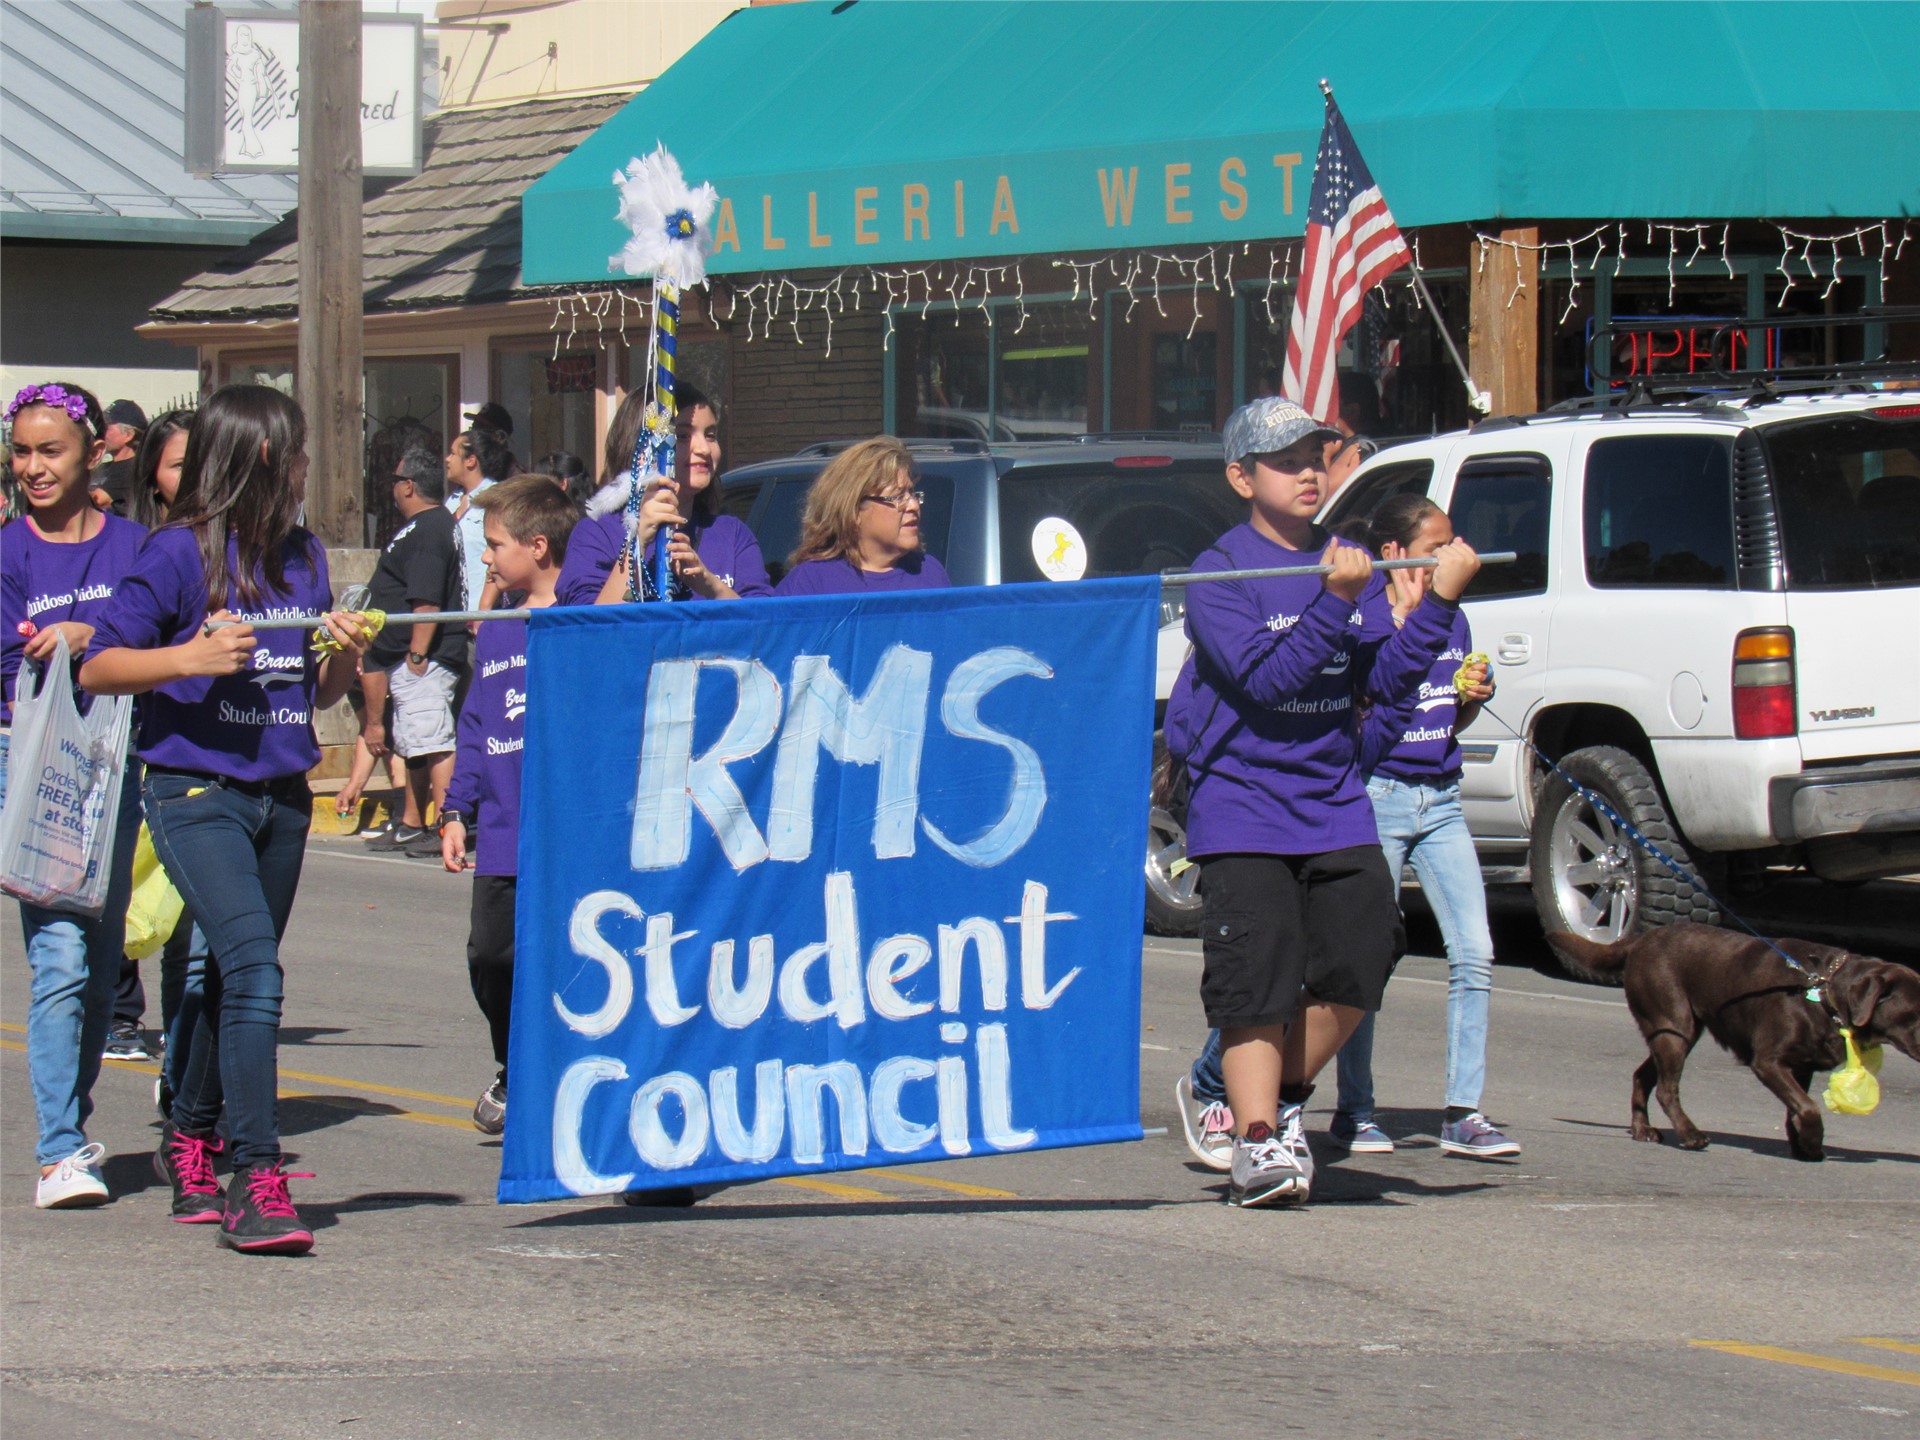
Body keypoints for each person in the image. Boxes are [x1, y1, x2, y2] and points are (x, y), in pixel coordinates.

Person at [1161, 396, 1477, 1208]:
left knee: (1364, 953)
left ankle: (1263, 1097)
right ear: (1241, 477)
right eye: (1286, 460)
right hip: (1241, 799)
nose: (1308, 471)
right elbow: (1269, 684)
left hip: (1334, 799)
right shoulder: (1220, 573)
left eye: (1316, 456)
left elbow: (1387, 680)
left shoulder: (1348, 559)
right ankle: (1258, 1140)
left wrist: (1436, 603)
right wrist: (1334, 601)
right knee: (1257, 976)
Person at [81, 383, 374, 1254]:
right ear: (252, 457)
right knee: (250, 965)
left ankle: (191, 1133)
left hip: (281, 796)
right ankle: (257, 1174)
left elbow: (310, 692)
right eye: (294, 453)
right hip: (193, 788)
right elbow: (99, 667)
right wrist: (191, 656)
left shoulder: (303, 555)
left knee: (228, 976)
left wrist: (339, 659)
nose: (304, 470)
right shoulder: (176, 555)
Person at [1, 381, 147, 1208]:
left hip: (119, 766)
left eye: (49, 450)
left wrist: (93, 638)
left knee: (98, 964)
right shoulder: (7, 554)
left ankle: (75, 1124)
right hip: (32, 766)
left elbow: (166, 633)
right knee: (56, 955)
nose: (33, 467)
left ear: (93, 451)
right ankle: (59, 1150)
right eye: (21, 452)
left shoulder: (137, 548)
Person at [438, 477, 578, 1132]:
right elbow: (474, 725)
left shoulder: (582, 619)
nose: (488, 560)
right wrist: (454, 811)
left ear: (539, 545)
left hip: (562, 832)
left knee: (562, 962)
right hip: (500, 829)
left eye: (495, 545)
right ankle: (511, 1062)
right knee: (491, 956)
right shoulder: (496, 630)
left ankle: (555, 1074)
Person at [107, 408, 198, 1063]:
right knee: (122, 890)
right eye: (176, 466)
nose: (192, 478)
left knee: (189, 923)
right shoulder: (145, 548)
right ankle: (114, 1011)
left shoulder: (249, 550)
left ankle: (185, 1053)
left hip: (209, 762)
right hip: (133, 742)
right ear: (153, 478)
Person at [560, 384, 770, 605]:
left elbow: (765, 625)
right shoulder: (597, 534)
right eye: (682, 435)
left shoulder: (732, 535)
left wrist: (711, 586)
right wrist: (638, 542)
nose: (704, 449)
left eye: (710, 435)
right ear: (642, 447)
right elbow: (587, 629)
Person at [359, 446, 468, 859]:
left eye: (394, 480)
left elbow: (426, 600)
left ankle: (446, 825)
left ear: (408, 486)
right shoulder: (424, 526)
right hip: (405, 658)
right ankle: (410, 823)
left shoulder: (430, 528)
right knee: (414, 744)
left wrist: (418, 655)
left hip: (427, 655)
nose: (392, 489)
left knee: (433, 740)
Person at [773, 437, 950, 595]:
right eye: (897, 497)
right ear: (854, 510)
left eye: (912, 494)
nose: (913, 505)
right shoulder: (811, 583)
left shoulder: (930, 573)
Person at [445, 427, 509, 611]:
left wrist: (484, 608)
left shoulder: (496, 499)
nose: (447, 459)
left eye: (452, 454)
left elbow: (500, 557)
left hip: (478, 614)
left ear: (471, 460)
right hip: (450, 615)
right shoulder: (453, 499)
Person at [89, 398, 147, 513]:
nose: (101, 432)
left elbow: (98, 500)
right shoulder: (105, 467)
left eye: (106, 427)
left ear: (128, 435)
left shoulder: (132, 469)